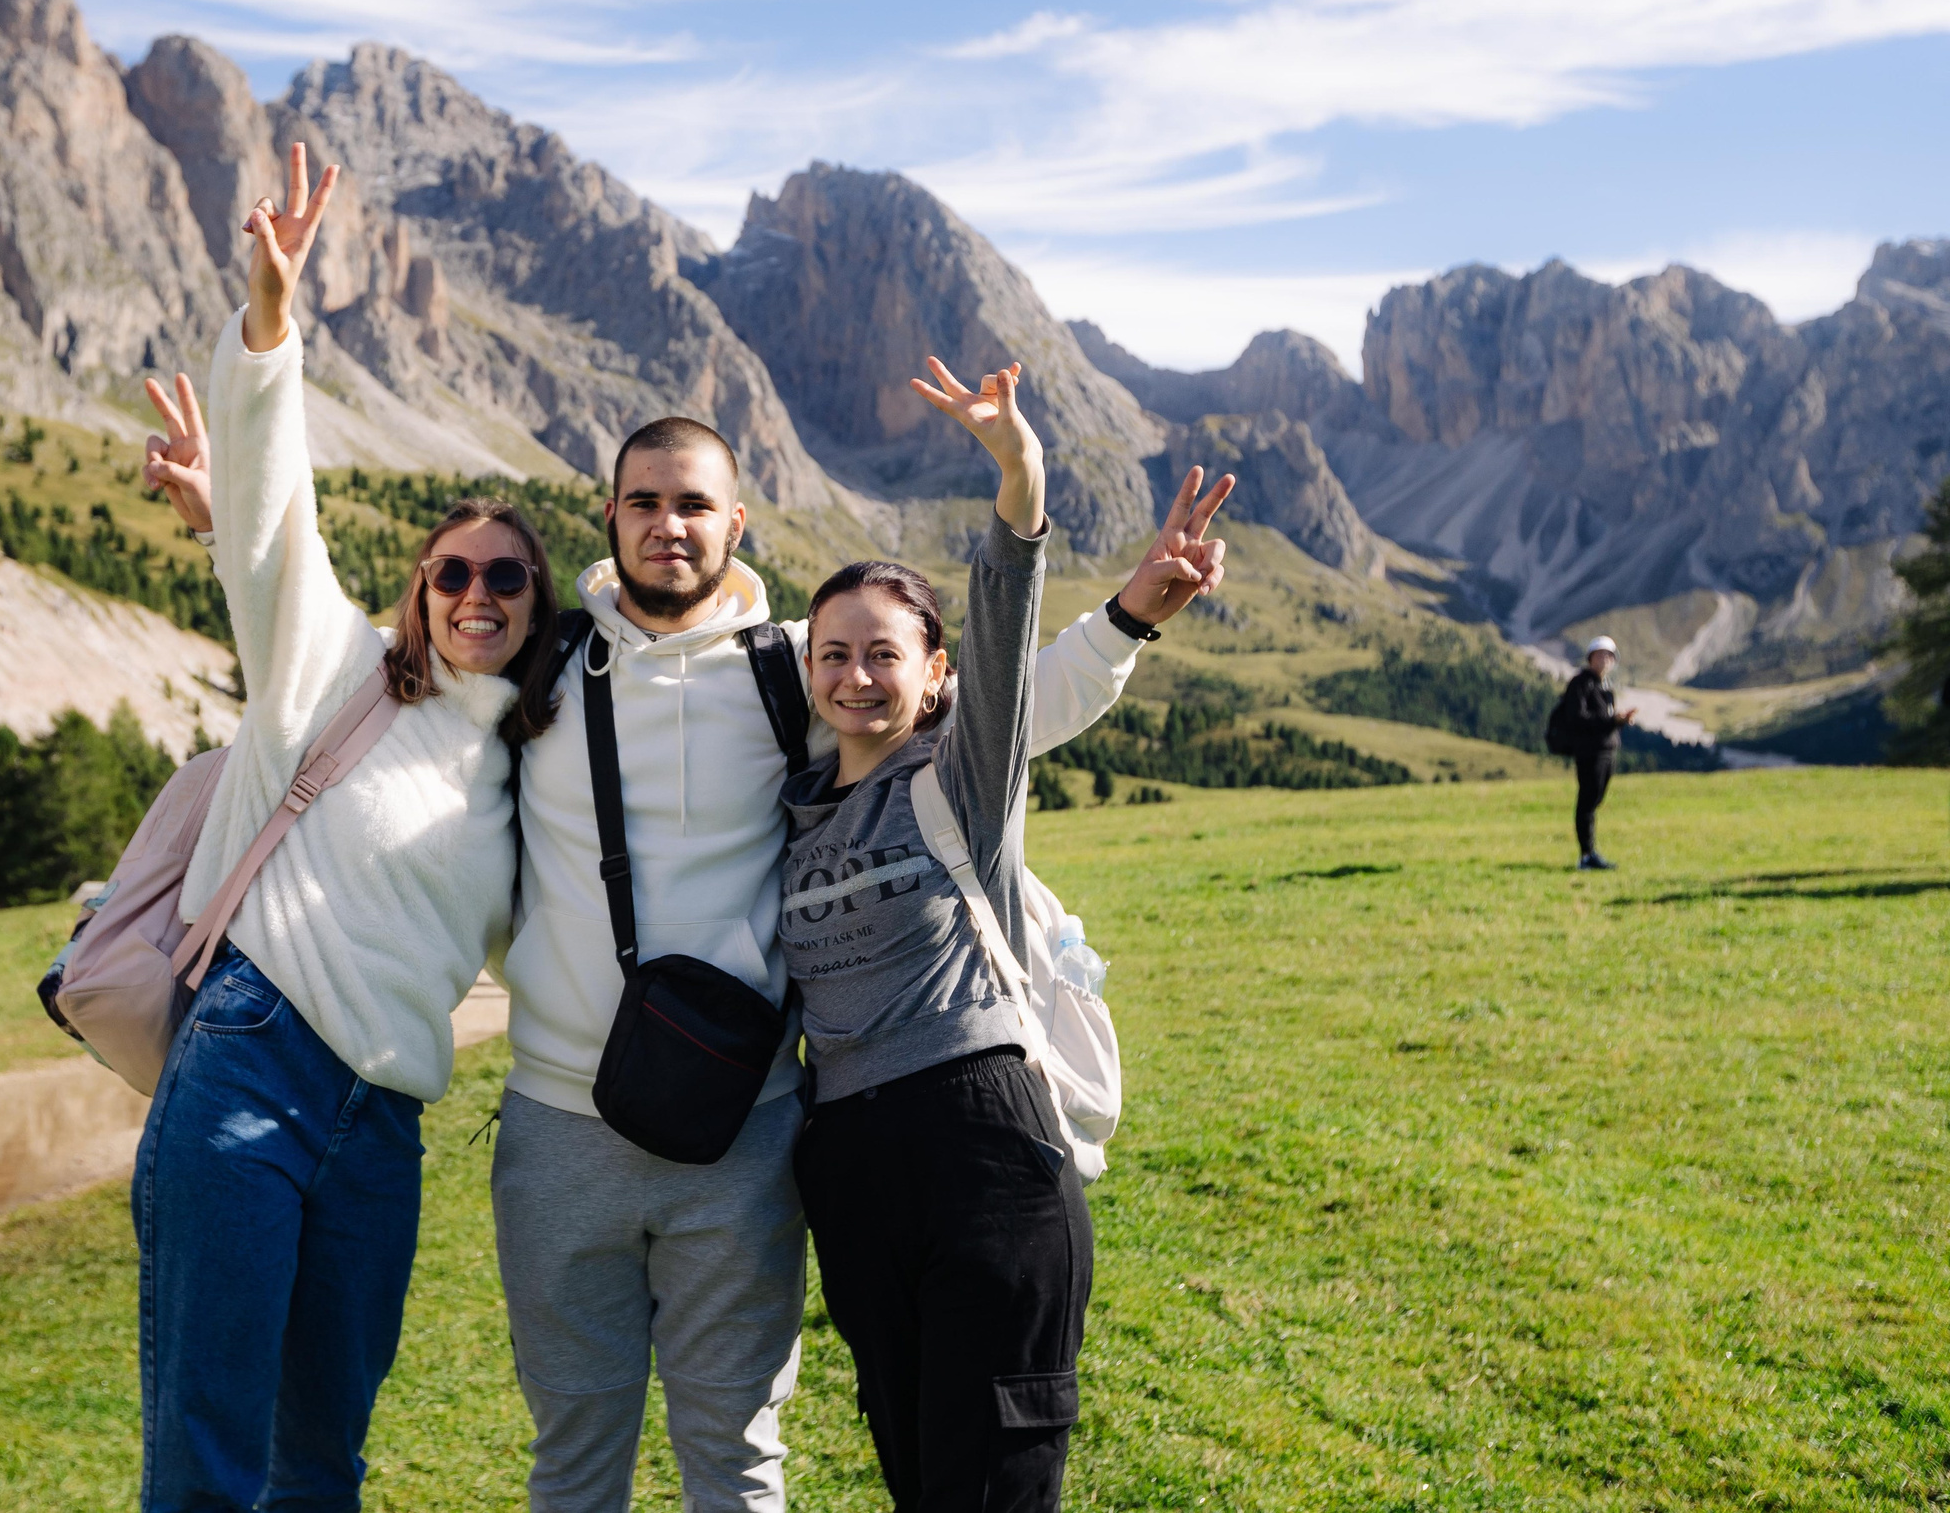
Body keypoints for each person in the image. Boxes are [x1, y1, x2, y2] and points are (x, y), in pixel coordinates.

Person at [491, 392, 1233, 1511]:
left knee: (779, 1458)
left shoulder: (822, 685)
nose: (668, 525)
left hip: (851, 1135)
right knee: (621, 1461)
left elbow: (1009, 690)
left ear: (737, 523)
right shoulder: (550, 667)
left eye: (694, 504)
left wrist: (1104, 590)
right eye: (643, 502)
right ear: (608, 515)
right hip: (737, 1147)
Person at [129, 144, 566, 1513]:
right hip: (249, 1066)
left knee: (323, 1458)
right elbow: (275, 517)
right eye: (453, 570)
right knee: (208, 1451)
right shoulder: (329, 666)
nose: (478, 592)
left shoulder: (530, 766)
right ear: (419, 588)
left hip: (382, 1125)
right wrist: (272, 321)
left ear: (537, 605)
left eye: (507, 577)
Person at [779, 359, 1230, 1512]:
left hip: (979, 1142)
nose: (855, 675)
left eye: (884, 653)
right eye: (833, 653)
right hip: (847, 1168)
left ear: (934, 674)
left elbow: (1008, 621)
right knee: (916, 1473)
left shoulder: (961, 779)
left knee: (991, 1485)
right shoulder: (788, 814)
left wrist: (1020, 474)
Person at [1555, 635, 1635, 870]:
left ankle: (1589, 853)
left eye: (1609, 656)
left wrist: (1619, 721)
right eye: (1600, 655)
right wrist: (1612, 720)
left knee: (1595, 800)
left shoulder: (1605, 686)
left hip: (1606, 750)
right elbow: (1577, 718)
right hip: (1589, 752)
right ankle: (1587, 855)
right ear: (1590, 658)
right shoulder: (1581, 684)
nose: (1604, 659)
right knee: (1587, 802)